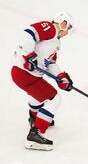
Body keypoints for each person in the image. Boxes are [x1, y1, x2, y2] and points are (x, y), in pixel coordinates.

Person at [11, 12, 75, 151]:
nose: (67, 32)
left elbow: (50, 63)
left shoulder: (55, 43)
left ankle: (35, 119)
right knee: (54, 99)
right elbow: (28, 33)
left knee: (38, 96)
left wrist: (61, 77)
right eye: (67, 27)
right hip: (24, 73)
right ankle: (35, 134)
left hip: (27, 75)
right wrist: (28, 54)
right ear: (62, 22)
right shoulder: (50, 28)